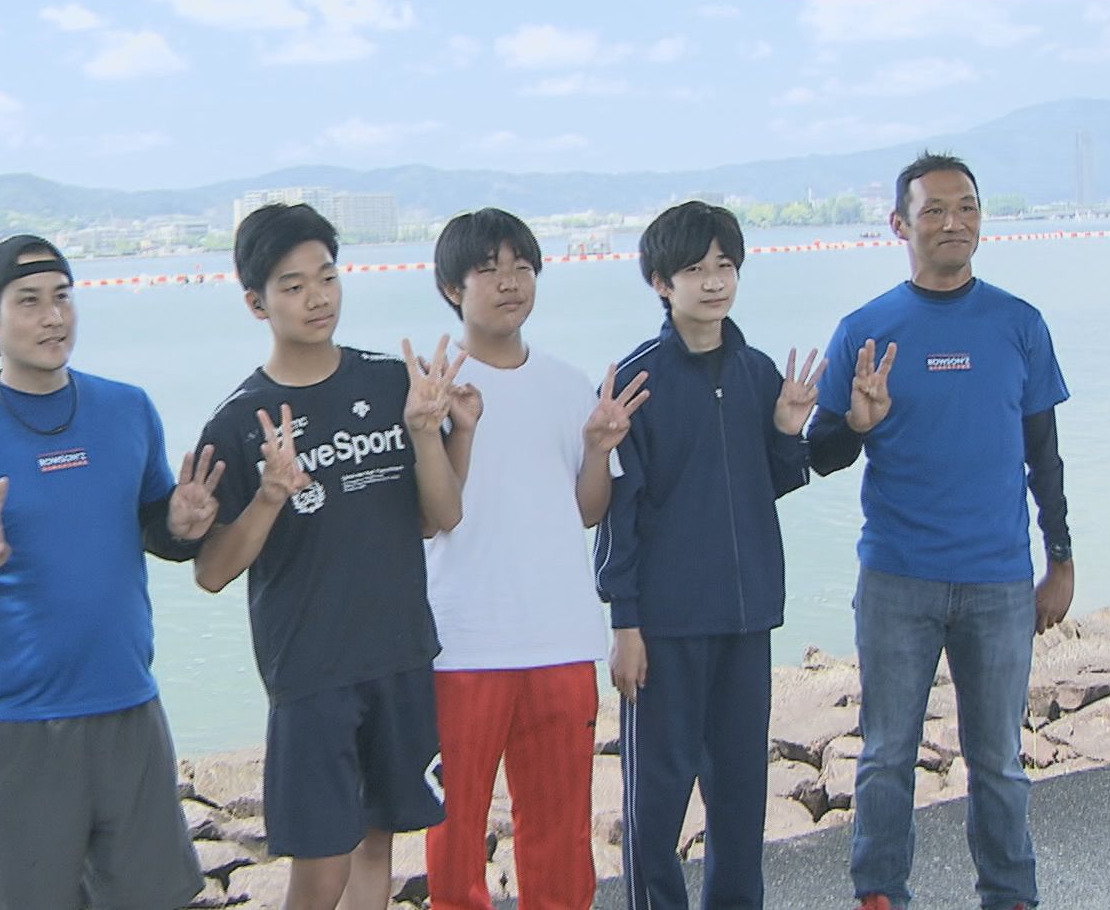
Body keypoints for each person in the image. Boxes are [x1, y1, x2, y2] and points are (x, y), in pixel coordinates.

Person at [0, 234, 217, 910]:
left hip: (131, 709)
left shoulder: (128, 408)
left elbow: (154, 526)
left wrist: (184, 529)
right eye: (30, 302)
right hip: (19, 724)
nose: (53, 318)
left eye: (63, 298)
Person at [810, 152, 1073, 910]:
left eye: (967, 208)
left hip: (999, 580)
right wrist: (859, 423)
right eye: (933, 210)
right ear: (900, 225)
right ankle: (880, 893)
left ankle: (1010, 894)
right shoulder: (865, 330)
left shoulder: (1020, 325)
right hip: (898, 578)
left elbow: (1044, 455)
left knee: (998, 760)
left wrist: (1059, 557)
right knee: (886, 755)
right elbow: (821, 453)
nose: (953, 222)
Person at [192, 203, 466, 910]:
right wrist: (268, 496)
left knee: (378, 845)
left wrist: (429, 432)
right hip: (310, 671)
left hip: (400, 651)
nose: (317, 297)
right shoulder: (239, 421)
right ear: (256, 303)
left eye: (327, 277)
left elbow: (442, 518)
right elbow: (211, 571)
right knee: (320, 868)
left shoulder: (391, 382)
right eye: (293, 285)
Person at [594, 201, 824, 910]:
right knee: (655, 803)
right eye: (696, 269)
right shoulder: (637, 383)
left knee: (740, 799)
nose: (715, 281)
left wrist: (787, 431)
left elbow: (769, 482)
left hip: (747, 618)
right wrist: (625, 622)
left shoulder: (757, 372)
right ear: (662, 282)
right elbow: (618, 512)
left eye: (725, 265)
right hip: (665, 626)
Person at [421, 208, 648, 910]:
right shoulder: (430, 393)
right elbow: (427, 518)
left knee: (560, 829)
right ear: (453, 288)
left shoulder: (568, 383)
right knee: (455, 829)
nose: (509, 282)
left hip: (560, 639)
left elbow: (587, 509)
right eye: (488, 269)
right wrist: (432, 428)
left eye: (522, 267)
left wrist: (600, 450)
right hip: (462, 643)